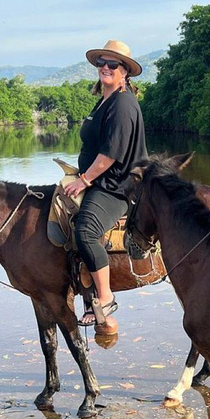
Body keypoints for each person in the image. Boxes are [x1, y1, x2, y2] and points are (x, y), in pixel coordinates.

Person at [63, 40, 147, 327]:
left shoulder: (123, 103)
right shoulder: (105, 100)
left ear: (125, 72)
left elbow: (111, 153)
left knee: (85, 231)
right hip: (99, 179)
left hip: (116, 185)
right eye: (102, 63)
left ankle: (105, 296)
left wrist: (85, 180)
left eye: (113, 64)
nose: (106, 68)